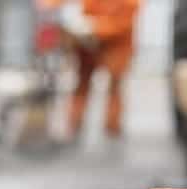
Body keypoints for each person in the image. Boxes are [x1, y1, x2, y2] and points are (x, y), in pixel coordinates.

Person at [58, 0, 140, 141]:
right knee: (82, 84)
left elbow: (123, 21)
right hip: (88, 44)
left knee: (114, 86)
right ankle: (75, 123)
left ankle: (112, 126)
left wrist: (95, 27)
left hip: (117, 45)